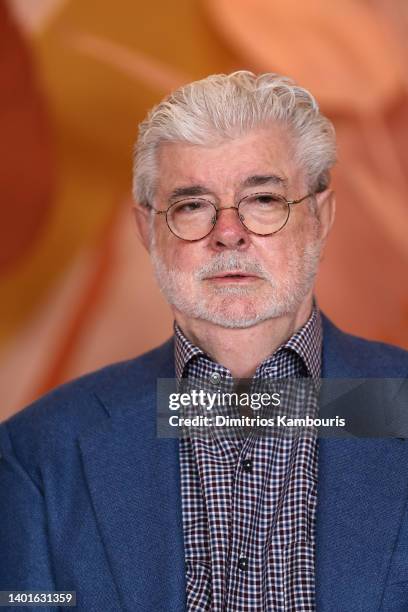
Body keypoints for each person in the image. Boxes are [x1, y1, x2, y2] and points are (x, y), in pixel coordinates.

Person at [1, 71, 407, 612]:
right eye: (192, 205)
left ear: (320, 216)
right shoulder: (36, 453)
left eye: (263, 198)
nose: (229, 232)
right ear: (147, 229)